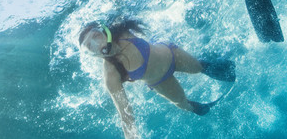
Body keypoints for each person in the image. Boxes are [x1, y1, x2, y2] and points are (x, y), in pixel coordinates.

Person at [78, 19, 236, 139]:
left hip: (172, 54)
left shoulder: (121, 32)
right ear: (91, 55)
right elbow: (125, 113)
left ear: (103, 31)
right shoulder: (111, 73)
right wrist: (131, 136)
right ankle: (215, 109)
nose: (98, 45)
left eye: (96, 37)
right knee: (184, 105)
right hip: (160, 81)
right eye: (90, 46)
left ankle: (223, 64)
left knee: (198, 68)